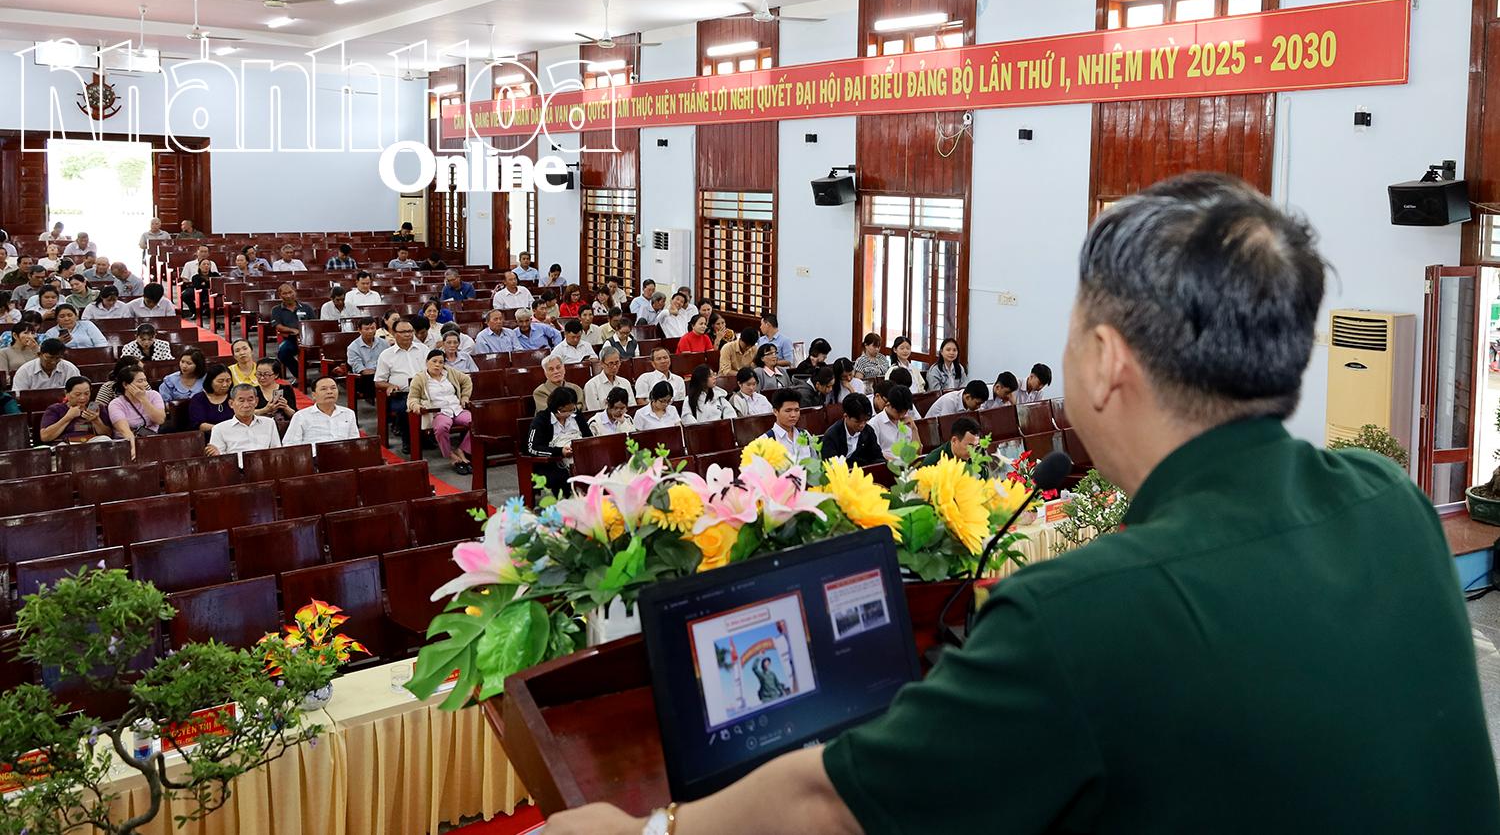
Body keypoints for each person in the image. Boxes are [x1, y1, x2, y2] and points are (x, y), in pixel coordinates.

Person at [550, 173, 1500, 835]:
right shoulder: (1390, 501)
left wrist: (651, 831)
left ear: (1106, 360)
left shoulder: (1083, 610)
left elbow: (832, 807)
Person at [408, 349, 475, 474]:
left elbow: (467, 380)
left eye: (441, 362)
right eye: (434, 361)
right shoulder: (420, 378)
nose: (437, 365)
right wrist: (416, 405)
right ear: (427, 362)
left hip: (457, 408)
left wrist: (465, 397)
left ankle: (462, 450)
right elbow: (412, 398)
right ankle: (450, 455)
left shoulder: (450, 372)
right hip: (439, 411)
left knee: (477, 422)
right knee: (441, 427)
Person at [375, 318, 428, 455]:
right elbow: (378, 381)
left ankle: (427, 437)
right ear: (394, 333)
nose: (408, 334)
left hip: (426, 390)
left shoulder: (423, 349)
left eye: (410, 331)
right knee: (405, 408)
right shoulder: (386, 355)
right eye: (403, 332)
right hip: (402, 393)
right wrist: (390, 385)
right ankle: (408, 441)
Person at [527, 386, 592, 494]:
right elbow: (532, 448)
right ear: (554, 408)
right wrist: (560, 451)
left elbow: (588, 437)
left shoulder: (576, 415)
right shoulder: (542, 419)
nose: (568, 414)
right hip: (552, 462)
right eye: (563, 411)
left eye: (571, 410)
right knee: (562, 476)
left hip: (579, 457)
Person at [206, 383, 281, 456]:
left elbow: (277, 452)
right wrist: (217, 454)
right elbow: (218, 460)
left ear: (256, 401)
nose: (246, 405)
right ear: (231, 403)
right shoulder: (219, 429)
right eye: (241, 401)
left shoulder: (269, 423)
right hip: (236, 464)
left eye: (250, 400)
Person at [107, 365, 166, 457]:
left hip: (153, 440)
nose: (145, 384)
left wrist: (143, 399)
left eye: (145, 380)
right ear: (125, 385)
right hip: (126, 444)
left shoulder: (154, 395)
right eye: (140, 381)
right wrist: (134, 448)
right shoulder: (116, 404)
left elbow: (160, 420)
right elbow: (125, 431)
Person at [284, 376, 360, 447]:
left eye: (333, 388)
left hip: (343, 454)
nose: (329, 392)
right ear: (314, 395)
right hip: (315, 455)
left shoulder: (348, 414)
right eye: (324, 389)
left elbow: (355, 442)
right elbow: (290, 444)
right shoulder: (301, 416)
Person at [39, 376, 111, 444]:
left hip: (91, 442)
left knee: (105, 439)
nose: (83, 398)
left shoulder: (96, 407)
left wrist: (96, 420)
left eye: (86, 393)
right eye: (77, 394)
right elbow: (45, 437)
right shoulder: (55, 409)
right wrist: (68, 417)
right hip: (65, 444)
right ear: (66, 393)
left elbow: (108, 434)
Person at [269, 283, 316, 380]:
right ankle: (300, 377)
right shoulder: (276, 310)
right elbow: (278, 326)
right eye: (285, 293)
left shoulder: (306, 307)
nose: (288, 295)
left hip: (309, 339)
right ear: (280, 296)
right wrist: (293, 330)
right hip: (292, 339)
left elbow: (314, 323)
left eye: (290, 292)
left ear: (295, 292)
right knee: (283, 352)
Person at [819, 393, 881, 466]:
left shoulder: (868, 431)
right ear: (846, 416)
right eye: (857, 421)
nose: (862, 425)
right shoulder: (832, 436)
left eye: (865, 421)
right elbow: (830, 464)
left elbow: (877, 457)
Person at [917, 416, 991, 473]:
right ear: (954, 440)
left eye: (976, 446)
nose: (973, 451)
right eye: (970, 446)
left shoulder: (978, 454)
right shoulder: (932, 462)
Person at [345, 316, 390, 402]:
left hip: (384, 373)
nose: (370, 331)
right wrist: (378, 373)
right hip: (365, 378)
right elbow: (359, 368)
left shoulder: (384, 343)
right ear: (359, 330)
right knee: (370, 377)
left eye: (373, 328)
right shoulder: (353, 347)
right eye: (366, 329)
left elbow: (390, 360)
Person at [870, 384, 917, 462]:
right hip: (886, 465)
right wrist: (899, 462)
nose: (901, 415)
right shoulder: (874, 424)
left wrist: (914, 429)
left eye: (904, 412)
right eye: (898, 412)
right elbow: (875, 455)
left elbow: (917, 452)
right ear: (888, 404)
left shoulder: (907, 421)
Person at [765, 388, 812, 463]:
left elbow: (815, 463)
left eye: (796, 410)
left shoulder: (805, 434)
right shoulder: (766, 440)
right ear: (775, 411)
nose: (793, 415)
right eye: (788, 411)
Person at [12, 338, 77, 391]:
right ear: (39, 355)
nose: (53, 362)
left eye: (57, 358)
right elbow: (18, 395)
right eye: (50, 358)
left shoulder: (70, 369)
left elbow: (76, 391)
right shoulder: (25, 371)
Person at [189, 363, 236, 433]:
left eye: (228, 380)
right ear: (210, 381)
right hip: (210, 436)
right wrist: (223, 430)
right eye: (220, 381)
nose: (225, 384)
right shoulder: (199, 399)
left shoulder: (235, 396)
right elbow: (200, 425)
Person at [252, 359, 298, 425]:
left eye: (266, 374)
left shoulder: (286, 389)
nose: (262, 378)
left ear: (276, 375)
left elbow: (295, 415)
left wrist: (285, 407)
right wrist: (265, 410)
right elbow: (245, 413)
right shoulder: (252, 391)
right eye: (259, 374)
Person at [178, 245, 218, 318]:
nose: (203, 253)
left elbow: (216, 278)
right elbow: (184, 278)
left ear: (208, 253)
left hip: (208, 287)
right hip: (193, 286)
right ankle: (195, 311)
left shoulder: (212, 263)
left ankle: (207, 310)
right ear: (197, 252)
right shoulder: (189, 264)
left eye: (205, 252)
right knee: (185, 295)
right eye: (201, 251)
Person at [924, 379, 990, 419]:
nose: (979, 407)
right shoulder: (950, 401)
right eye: (977, 403)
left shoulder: (969, 400)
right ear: (967, 397)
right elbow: (946, 426)